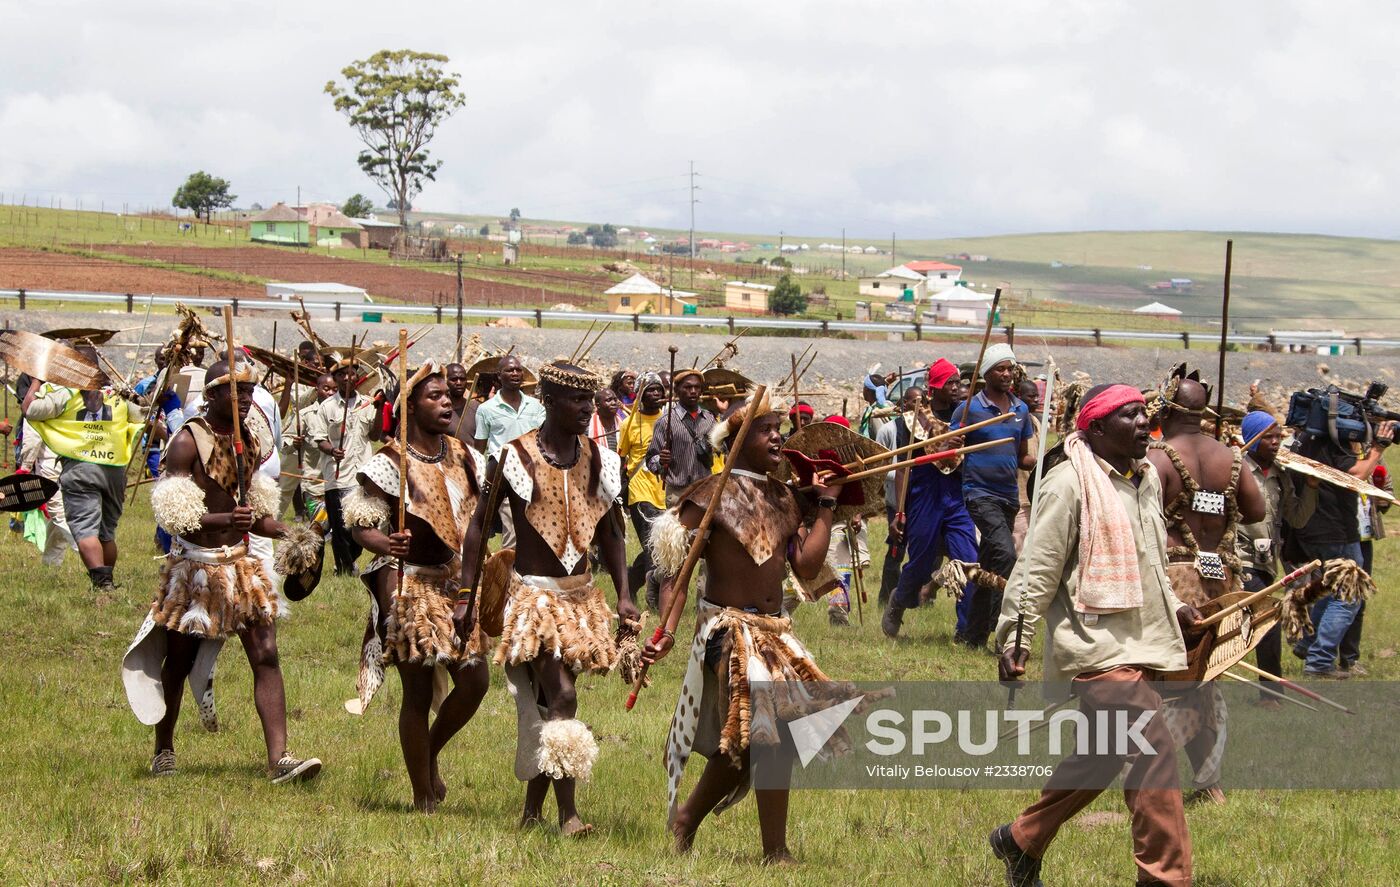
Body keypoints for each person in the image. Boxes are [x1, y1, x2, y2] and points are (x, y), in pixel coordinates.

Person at [991, 384, 1202, 887]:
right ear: (1097, 428)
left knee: (1102, 755)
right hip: (1095, 646)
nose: (1143, 425)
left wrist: (1176, 607)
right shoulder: (1069, 483)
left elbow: (1147, 562)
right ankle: (1164, 878)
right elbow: (1037, 567)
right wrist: (1014, 635)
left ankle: (1020, 840)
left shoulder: (1145, 480)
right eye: (1130, 416)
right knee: (1152, 750)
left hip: (1141, 639)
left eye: (1145, 415)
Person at [641, 392, 842, 864]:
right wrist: (665, 629)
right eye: (765, 428)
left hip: (775, 632)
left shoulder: (786, 498)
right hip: (726, 630)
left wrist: (827, 506)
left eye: (780, 428)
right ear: (735, 437)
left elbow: (808, 568)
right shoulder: (712, 494)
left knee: (761, 739)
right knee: (759, 727)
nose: (778, 436)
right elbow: (678, 570)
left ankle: (736, 834)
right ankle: (738, 836)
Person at [455, 360, 638, 837]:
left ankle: (531, 813)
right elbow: (479, 526)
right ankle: (569, 816)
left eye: (590, 400)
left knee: (543, 702)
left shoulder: (602, 461)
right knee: (563, 695)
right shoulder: (514, 457)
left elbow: (614, 533)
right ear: (550, 402)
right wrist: (464, 595)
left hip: (579, 600)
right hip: (532, 599)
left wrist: (624, 595)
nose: (587, 408)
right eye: (578, 400)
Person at [121, 358, 322, 784]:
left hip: (241, 565)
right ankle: (164, 749)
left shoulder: (248, 441)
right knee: (177, 662)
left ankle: (279, 759)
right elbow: (175, 518)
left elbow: (257, 517)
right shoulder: (187, 442)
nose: (247, 400)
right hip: (196, 566)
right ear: (211, 395)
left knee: (266, 655)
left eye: (250, 392)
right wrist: (227, 520)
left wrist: (286, 530)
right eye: (237, 393)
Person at [345, 365, 488, 812]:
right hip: (408, 579)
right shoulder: (388, 462)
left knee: (476, 680)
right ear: (408, 408)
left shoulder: (466, 455)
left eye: (448, 395)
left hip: (456, 578)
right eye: (434, 396)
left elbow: (478, 520)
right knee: (419, 690)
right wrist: (387, 541)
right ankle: (422, 793)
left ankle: (429, 750)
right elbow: (358, 526)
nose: (447, 402)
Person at [1145, 374, 1264, 802]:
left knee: (1179, 680)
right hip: (1221, 581)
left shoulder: (1156, 460)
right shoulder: (1230, 458)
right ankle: (1205, 780)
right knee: (1202, 677)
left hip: (1177, 579)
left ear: (1167, 410)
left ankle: (1183, 778)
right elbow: (1256, 510)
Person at [21, 345, 145, 592]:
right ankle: (107, 582)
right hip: (114, 469)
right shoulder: (116, 393)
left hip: (79, 469)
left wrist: (36, 382)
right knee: (106, 532)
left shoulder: (64, 392)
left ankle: (102, 585)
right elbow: (142, 415)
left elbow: (30, 410)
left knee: (85, 528)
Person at [1288, 414, 1396, 678]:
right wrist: (1378, 448)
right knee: (1349, 596)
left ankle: (1307, 644)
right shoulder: (1335, 445)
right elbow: (1355, 477)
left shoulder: (1306, 440)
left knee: (1332, 589)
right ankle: (1320, 661)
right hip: (1336, 531)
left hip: (1312, 530)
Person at [883, 359, 979, 641]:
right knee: (922, 563)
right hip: (923, 494)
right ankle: (899, 599)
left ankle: (965, 631)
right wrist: (900, 511)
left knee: (968, 562)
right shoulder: (913, 419)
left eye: (958, 382)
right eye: (949, 383)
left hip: (955, 494)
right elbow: (904, 466)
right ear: (934, 387)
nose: (955, 388)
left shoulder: (963, 416)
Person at [952, 343, 1036, 649]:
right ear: (986, 373)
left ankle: (973, 637)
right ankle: (1003, 633)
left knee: (988, 565)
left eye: (1010, 368)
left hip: (1008, 496)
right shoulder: (969, 409)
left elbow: (1023, 457)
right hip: (978, 493)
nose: (1007, 374)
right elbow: (948, 453)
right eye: (1000, 368)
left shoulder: (1020, 409)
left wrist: (1048, 462)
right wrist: (954, 445)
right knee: (1006, 556)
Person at [1234, 411, 1317, 706]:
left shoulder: (1282, 475)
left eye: (1277, 437)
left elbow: (1297, 517)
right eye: (1267, 437)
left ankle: (1268, 693)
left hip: (1268, 562)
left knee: (1261, 627)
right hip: (1240, 560)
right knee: (1267, 624)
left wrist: (1310, 488)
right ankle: (1270, 695)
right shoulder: (1235, 469)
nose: (1274, 442)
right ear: (1251, 440)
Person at [314, 356, 384, 575]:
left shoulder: (367, 404)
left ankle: (349, 560)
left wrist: (380, 409)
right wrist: (331, 450)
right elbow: (319, 438)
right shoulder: (327, 407)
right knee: (340, 526)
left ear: (357, 376)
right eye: (341, 375)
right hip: (338, 475)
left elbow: (375, 434)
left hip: (362, 473)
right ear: (335, 379)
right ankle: (344, 568)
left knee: (362, 522)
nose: (346, 378)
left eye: (351, 373)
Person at [617, 372, 668, 607]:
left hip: (665, 489)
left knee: (662, 543)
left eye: (659, 389)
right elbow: (622, 457)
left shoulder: (669, 421)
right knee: (651, 542)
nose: (656, 394)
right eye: (650, 390)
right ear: (640, 394)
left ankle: (631, 578)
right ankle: (653, 594)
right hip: (640, 489)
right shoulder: (630, 423)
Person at [876, 385, 924, 607]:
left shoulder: (927, 428)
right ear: (904, 404)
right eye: (913, 402)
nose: (917, 407)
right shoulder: (889, 430)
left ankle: (918, 596)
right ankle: (886, 596)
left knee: (922, 549)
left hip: (920, 497)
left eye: (921, 402)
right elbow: (880, 464)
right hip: (896, 498)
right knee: (896, 548)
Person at [645, 368, 717, 505]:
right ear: (677, 390)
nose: (693, 391)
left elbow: (723, 447)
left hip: (705, 490)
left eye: (697, 387)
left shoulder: (709, 419)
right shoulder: (665, 421)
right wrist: (661, 460)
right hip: (677, 493)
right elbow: (650, 460)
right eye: (688, 387)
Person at [1345, 462, 1392, 674]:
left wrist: (1383, 497)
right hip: (1339, 535)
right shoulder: (1339, 452)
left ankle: (1349, 657)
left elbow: (1386, 492)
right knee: (1335, 597)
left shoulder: (1374, 458)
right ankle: (1316, 651)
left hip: (1364, 537)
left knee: (1359, 598)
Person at [279, 373, 333, 521]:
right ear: (317, 389)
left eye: (335, 389)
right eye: (326, 388)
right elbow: (285, 441)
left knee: (342, 535)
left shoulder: (345, 413)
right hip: (315, 485)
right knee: (319, 529)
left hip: (340, 482)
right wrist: (294, 443)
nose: (330, 393)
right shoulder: (305, 415)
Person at [473, 354, 544, 457]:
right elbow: (479, 450)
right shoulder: (485, 409)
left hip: (530, 468)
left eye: (518, 370)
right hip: (499, 469)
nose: (515, 373)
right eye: (510, 370)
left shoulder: (536, 406)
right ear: (499, 375)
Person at [1012, 378, 1044, 551]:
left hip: (1034, 494)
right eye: (1031, 396)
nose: (1036, 400)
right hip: (1019, 496)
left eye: (1037, 396)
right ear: (1019, 397)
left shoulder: (1036, 422)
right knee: (1019, 547)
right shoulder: (1013, 422)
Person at [858, 372, 891, 440]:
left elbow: (880, 440)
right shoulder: (888, 405)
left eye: (864, 387)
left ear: (867, 390)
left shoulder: (875, 413)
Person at [589, 386, 623, 451]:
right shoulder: (588, 427)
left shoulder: (624, 425)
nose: (614, 403)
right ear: (598, 405)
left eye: (615, 400)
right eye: (608, 400)